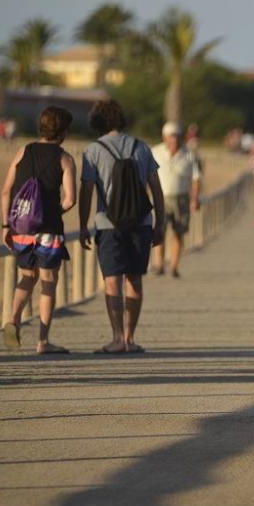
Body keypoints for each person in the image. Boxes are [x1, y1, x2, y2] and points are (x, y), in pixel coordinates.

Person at [78, 100, 165, 354]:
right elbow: (156, 190)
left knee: (112, 282)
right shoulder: (142, 148)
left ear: (97, 122)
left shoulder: (93, 151)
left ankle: (116, 338)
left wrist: (83, 225)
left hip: (107, 224)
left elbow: (86, 191)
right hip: (141, 223)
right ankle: (130, 337)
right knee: (135, 280)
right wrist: (160, 223)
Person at [0, 106, 77, 354]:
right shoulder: (65, 158)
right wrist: (50, 213)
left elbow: (6, 191)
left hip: (21, 228)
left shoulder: (24, 151)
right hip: (49, 231)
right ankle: (43, 341)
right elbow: (70, 199)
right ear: (63, 131)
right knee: (48, 282)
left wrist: (6, 224)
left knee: (27, 277)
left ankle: (13, 319)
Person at [151, 122, 201, 278]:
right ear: (164, 137)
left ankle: (174, 265)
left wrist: (195, 198)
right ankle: (159, 264)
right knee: (159, 230)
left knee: (178, 232)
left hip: (181, 197)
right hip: (160, 197)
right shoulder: (155, 152)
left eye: (176, 137)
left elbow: (196, 178)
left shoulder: (189, 154)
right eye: (170, 137)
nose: (173, 140)